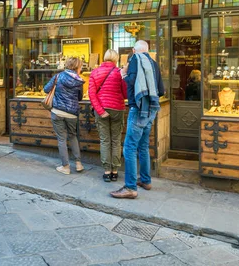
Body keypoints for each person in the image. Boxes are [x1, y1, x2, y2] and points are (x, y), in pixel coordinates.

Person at [111, 40, 164, 199]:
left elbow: (132, 83)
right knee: (143, 145)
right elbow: (160, 90)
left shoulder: (135, 59)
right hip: (151, 110)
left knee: (129, 147)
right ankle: (146, 181)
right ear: (148, 50)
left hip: (139, 109)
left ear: (134, 50)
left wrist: (124, 75)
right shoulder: (153, 63)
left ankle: (130, 187)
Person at [88, 49, 127, 182]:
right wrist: (124, 76)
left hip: (102, 109)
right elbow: (126, 94)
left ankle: (106, 171)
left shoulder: (95, 72)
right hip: (117, 109)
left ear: (104, 58)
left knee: (105, 141)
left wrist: (100, 110)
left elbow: (91, 95)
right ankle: (115, 171)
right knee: (116, 141)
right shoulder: (119, 73)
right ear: (116, 59)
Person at [43, 56, 85, 175]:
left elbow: (46, 89)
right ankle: (78, 164)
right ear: (77, 67)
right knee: (73, 136)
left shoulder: (58, 76)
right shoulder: (79, 80)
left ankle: (65, 167)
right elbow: (80, 98)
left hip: (57, 112)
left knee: (61, 139)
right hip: (72, 113)